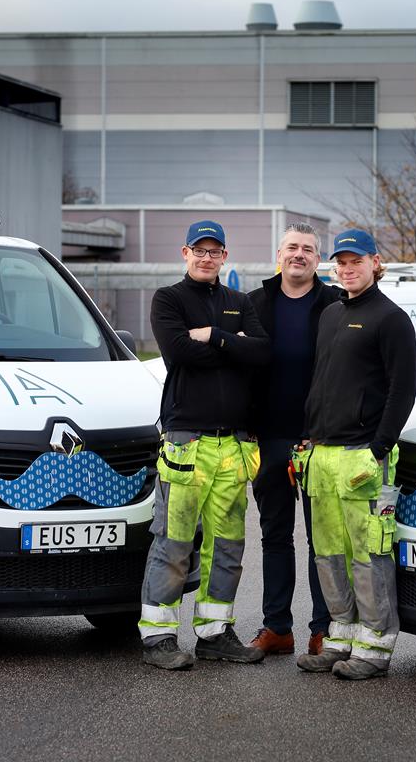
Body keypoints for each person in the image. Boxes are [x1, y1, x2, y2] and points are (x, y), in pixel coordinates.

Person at [138, 219, 271, 671]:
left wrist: (214, 336)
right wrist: (234, 347)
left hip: (233, 445)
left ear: (225, 257)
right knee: (173, 542)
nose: (207, 257)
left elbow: (262, 355)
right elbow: (178, 353)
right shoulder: (169, 299)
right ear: (185, 252)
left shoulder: (238, 302)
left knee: (228, 545)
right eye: (200, 249)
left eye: (215, 251)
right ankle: (158, 637)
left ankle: (215, 633)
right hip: (186, 442)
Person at [296, 229, 416, 680]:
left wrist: (379, 448)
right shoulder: (330, 314)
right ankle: (340, 638)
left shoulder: (391, 318)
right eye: (341, 263)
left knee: (369, 555)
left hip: (364, 456)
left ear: (375, 263)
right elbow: (322, 383)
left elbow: (402, 391)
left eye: (356, 261)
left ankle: (375, 648)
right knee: (327, 553)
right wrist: (308, 438)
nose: (347, 269)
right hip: (323, 456)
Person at [246, 223, 341, 657]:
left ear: (317, 260)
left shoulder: (335, 305)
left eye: (307, 249)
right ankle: (277, 629)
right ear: (278, 255)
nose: (299, 254)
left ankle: (322, 628)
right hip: (269, 439)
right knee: (275, 537)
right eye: (292, 247)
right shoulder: (254, 304)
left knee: (322, 538)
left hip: (319, 441)